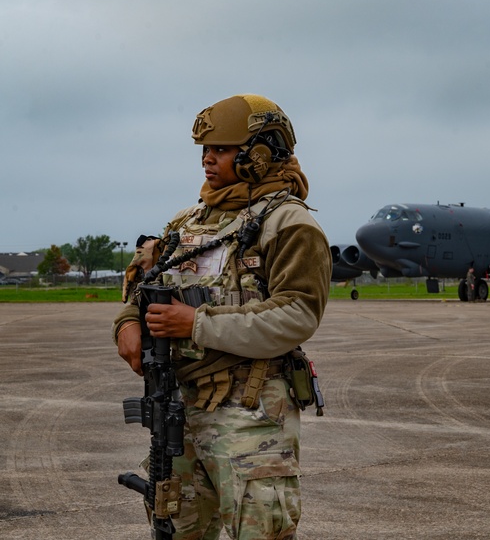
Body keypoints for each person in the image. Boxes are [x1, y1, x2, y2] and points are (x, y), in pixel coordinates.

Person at [113, 94, 332, 540]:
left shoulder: (289, 224)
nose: (207, 161)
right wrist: (127, 323)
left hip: (251, 410)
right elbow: (144, 285)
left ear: (259, 153)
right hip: (180, 404)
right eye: (205, 151)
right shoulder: (187, 223)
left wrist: (195, 324)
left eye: (221, 149)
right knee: (179, 526)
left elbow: (297, 313)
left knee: (259, 529)